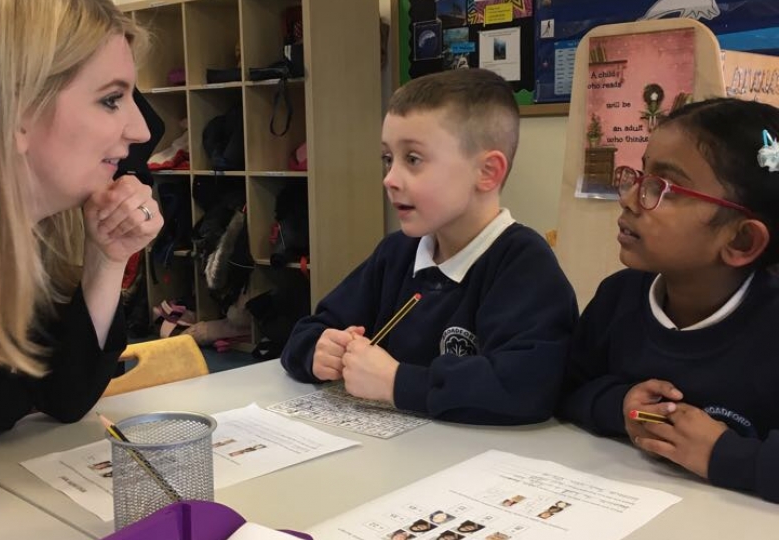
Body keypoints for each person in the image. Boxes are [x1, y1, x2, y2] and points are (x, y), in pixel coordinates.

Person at [280, 69, 577, 424]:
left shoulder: (525, 266)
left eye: (413, 159)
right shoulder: (396, 254)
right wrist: (318, 350)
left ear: (487, 172)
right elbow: (309, 329)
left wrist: (396, 382)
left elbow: (526, 389)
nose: (389, 179)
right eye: (388, 159)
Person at [0, 0, 162, 456]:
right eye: (111, 99)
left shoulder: (38, 236)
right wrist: (19, 393)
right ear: (16, 112)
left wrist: (106, 258)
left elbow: (66, 398)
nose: (142, 130)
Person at [558, 98, 779, 503]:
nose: (628, 199)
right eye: (640, 175)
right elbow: (565, 387)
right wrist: (619, 406)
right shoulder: (618, 297)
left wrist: (722, 454)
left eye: (664, 188)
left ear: (742, 240)